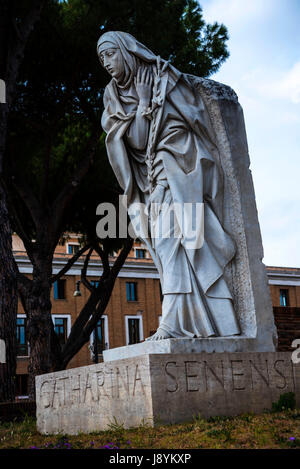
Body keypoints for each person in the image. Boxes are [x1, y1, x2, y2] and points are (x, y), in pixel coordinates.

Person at [98, 31, 241, 340]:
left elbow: (194, 120)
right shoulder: (112, 96)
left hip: (179, 165)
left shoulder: (164, 76)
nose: (107, 63)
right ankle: (205, 322)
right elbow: (135, 141)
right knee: (166, 249)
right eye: (102, 58)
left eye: (110, 54)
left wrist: (154, 118)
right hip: (148, 180)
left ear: (126, 50)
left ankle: (175, 320)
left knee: (173, 241)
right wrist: (145, 105)